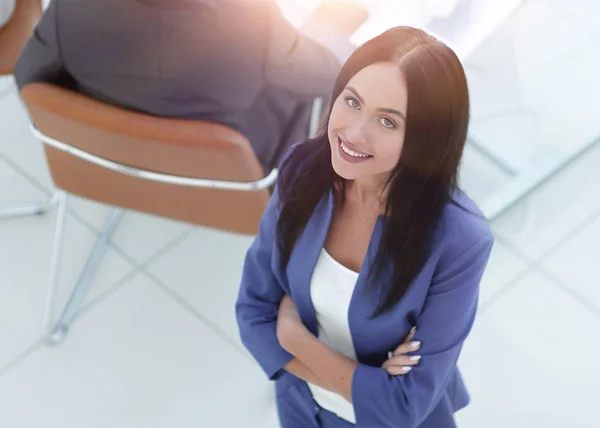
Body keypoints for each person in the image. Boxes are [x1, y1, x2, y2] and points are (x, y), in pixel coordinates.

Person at [236, 26, 494, 428]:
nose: (354, 133)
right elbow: (253, 314)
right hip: (300, 407)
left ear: (425, 139)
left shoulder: (459, 240)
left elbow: (403, 408)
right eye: (352, 101)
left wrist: (293, 337)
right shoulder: (302, 168)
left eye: (388, 122)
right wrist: (360, 382)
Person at [13, 0, 346, 173]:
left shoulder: (69, 9)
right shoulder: (254, 23)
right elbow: (326, 76)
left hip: (104, 159)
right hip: (238, 167)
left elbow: (32, 83)